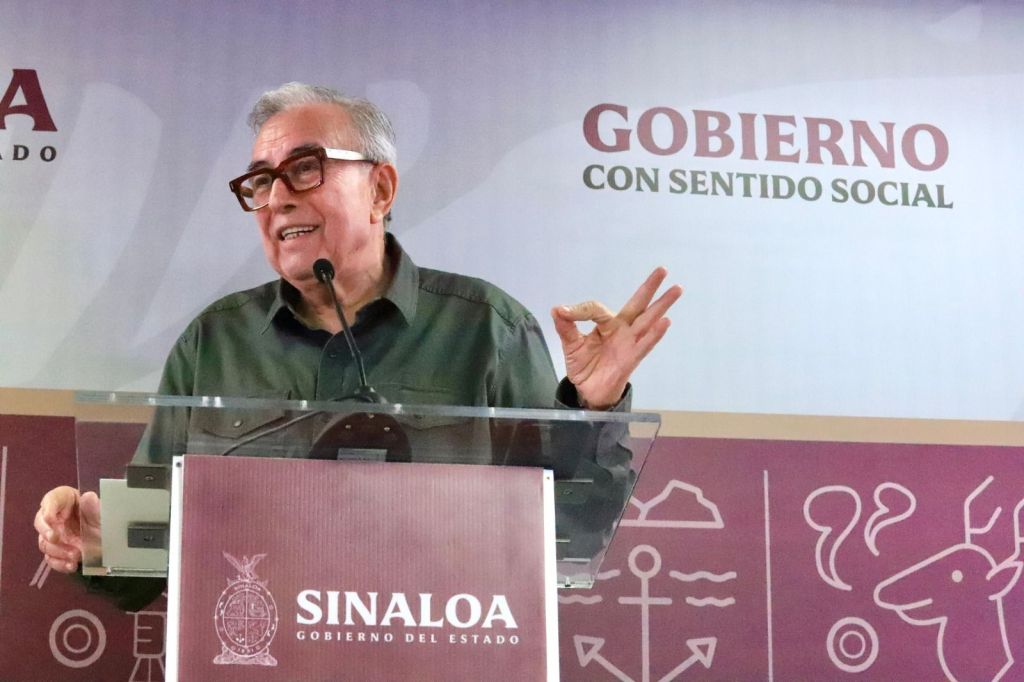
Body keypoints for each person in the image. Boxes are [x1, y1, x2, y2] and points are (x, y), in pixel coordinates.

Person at [34, 83, 682, 601]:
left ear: (380, 189)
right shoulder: (214, 342)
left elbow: (569, 528)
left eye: (304, 169)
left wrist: (593, 409)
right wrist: (99, 543)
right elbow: (148, 548)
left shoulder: (488, 330)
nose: (276, 199)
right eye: (260, 182)